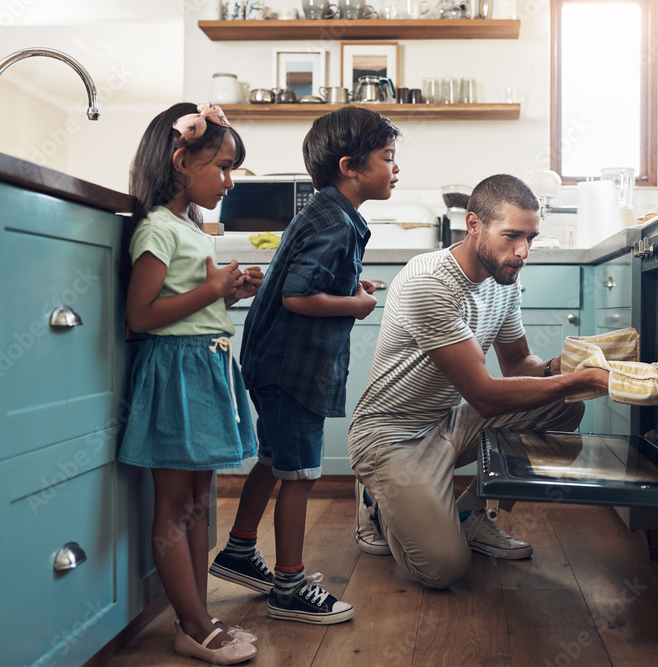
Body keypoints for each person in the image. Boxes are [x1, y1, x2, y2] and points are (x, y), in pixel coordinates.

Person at [347, 173, 610, 589]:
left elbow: (519, 363)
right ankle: (376, 500)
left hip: (449, 421)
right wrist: (585, 378)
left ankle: (472, 516)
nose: (523, 252)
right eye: (512, 236)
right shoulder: (430, 282)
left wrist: (566, 366)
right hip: (390, 437)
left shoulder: (503, 280)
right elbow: (486, 396)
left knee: (565, 406)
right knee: (443, 569)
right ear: (474, 226)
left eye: (531, 238)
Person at [209, 106, 401, 624]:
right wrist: (357, 305)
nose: (395, 168)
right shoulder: (334, 222)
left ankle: (240, 552)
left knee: (274, 461)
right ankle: (289, 588)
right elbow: (298, 296)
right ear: (350, 166)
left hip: (275, 362)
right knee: (301, 475)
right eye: (388, 158)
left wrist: (348, 289)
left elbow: (308, 282)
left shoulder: (329, 213)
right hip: (292, 370)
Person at [119, 102, 264, 664]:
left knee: (200, 502)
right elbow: (141, 315)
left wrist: (229, 292)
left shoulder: (190, 228)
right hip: (176, 371)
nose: (229, 182)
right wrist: (211, 292)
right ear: (182, 160)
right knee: (176, 505)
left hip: (203, 365)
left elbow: (189, 303)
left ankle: (197, 619)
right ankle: (195, 622)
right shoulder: (157, 227)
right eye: (222, 168)